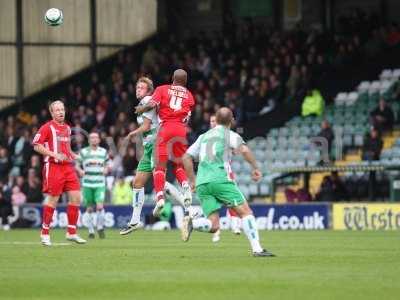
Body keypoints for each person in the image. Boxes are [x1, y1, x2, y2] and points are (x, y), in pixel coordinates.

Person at [182, 107, 275, 257]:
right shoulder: (229, 134)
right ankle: (257, 249)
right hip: (220, 179)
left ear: (216, 120)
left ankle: (193, 223)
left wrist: (192, 180)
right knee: (246, 213)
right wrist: (256, 168)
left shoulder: (203, 136)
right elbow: (244, 150)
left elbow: (186, 157)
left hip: (202, 183)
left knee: (213, 225)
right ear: (232, 121)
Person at [120, 77, 187, 235]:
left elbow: (146, 126)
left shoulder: (149, 100)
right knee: (137, 183)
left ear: (149, 90)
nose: (138, 90)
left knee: (160, 182)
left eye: (142, 88)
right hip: (148, 147)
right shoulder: (144, 103)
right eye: (137, 87)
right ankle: (135, 221)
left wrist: (131, 134)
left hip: (158, 143)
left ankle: (188, 206)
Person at [135, 69, 195, 218]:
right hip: (181, 130)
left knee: (160, 167)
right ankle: (186, 187)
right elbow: (188, 116)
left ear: (173, 78)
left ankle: (160, 198)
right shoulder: (189, 95)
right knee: (178, 164)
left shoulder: (163, 89)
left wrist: (141, 108)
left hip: (165, 128)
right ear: (185, 81)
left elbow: (151, 104)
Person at [32, 100, 86, 246]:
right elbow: (36, 146)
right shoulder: (47, 127)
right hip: (53, 167)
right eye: (57, 110)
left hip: (68, 167)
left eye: (62, 109)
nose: (61, 112)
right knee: (53, 200)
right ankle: (44, 233)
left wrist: (78, 157)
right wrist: (54, 154)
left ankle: (72, 232)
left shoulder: (68, 128)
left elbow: (67, 150)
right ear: (52, 112)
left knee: (76, 197)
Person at [207, 114, 241, 243]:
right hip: (210, 173)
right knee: (213, 204)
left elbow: (236, 150)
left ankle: (235, 224)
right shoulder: (206, 137)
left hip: (226, 171)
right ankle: (216, 231)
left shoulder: (227, 135)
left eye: (215, 120)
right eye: (211, 121)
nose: (213, 123)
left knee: (231, 198)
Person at [76, 131, 110, 239]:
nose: (94, 139)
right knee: (89, 208)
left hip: (99, 182)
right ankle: (91, 230)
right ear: (89, 140)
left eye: (96, 138)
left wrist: (106, 169)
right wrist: (80, 170)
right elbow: (76, 165)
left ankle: (100, 227)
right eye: (92, 138)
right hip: (87, 183)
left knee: (100, 206)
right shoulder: (83, 152)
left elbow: (109, 164)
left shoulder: (103, 152)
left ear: (99, 140)